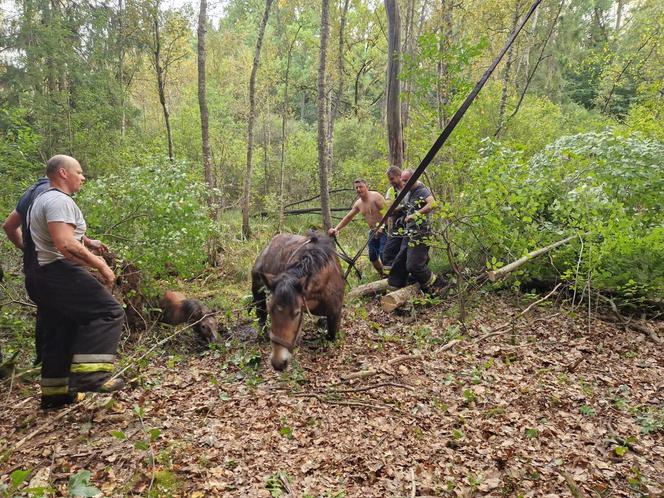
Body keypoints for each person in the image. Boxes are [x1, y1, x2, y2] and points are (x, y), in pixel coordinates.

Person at [25, 155, 125, 409]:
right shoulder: (59, 200)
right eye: (79, 172)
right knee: (109, 311)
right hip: (57, 271)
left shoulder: (42, 199)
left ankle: (55, 395)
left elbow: (64, 235)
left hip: (38, 276)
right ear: (63, 173)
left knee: (60, 329)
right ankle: (92, 375)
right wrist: (100, 264)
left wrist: (88, 242)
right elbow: (65, 243)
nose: (83, 177)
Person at [3, 177, 50, 365]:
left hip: (32, 265)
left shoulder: (29, 194)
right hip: (50, 265)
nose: (81, 178)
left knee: (45, 311)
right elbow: (60, 231)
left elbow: (9, 226)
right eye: (77, 173)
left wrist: (24, 247)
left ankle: (41, 362)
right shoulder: (52, 194)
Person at [387, 169, 437, 290]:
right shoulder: (409, 191)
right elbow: (408, 207)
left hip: (421, 232)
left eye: (406, 181)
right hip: (409, 232)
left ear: (413, 179)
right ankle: (394, 287)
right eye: (402, 181)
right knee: (399, 262)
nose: (403, 183)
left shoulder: (421, 190)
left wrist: (415, 215)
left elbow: (432, 204)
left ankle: (434, 283)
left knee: (413, 266)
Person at [328, 178, 387, 276]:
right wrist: (336, 228)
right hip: (373, 232)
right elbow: (348, 217)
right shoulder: (358, 203)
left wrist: (382, 227)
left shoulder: (376, 197)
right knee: (373, 257)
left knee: (384, 254)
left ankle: (391, 277)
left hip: (384, 230)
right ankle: (383, 275)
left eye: (361, 187)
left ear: (366, 187)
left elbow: (388, 212)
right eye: (356, 188)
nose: (359, 189)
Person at [382, 166, 406, 273]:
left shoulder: (411, 186)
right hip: (397, 226)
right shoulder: (391, 191)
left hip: (413, 225)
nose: (391, 182)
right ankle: (390, 278)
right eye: (389, 179)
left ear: (399, 176)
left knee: (408, 253)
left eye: (392, 179)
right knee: (387, 254)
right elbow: (389, 209)